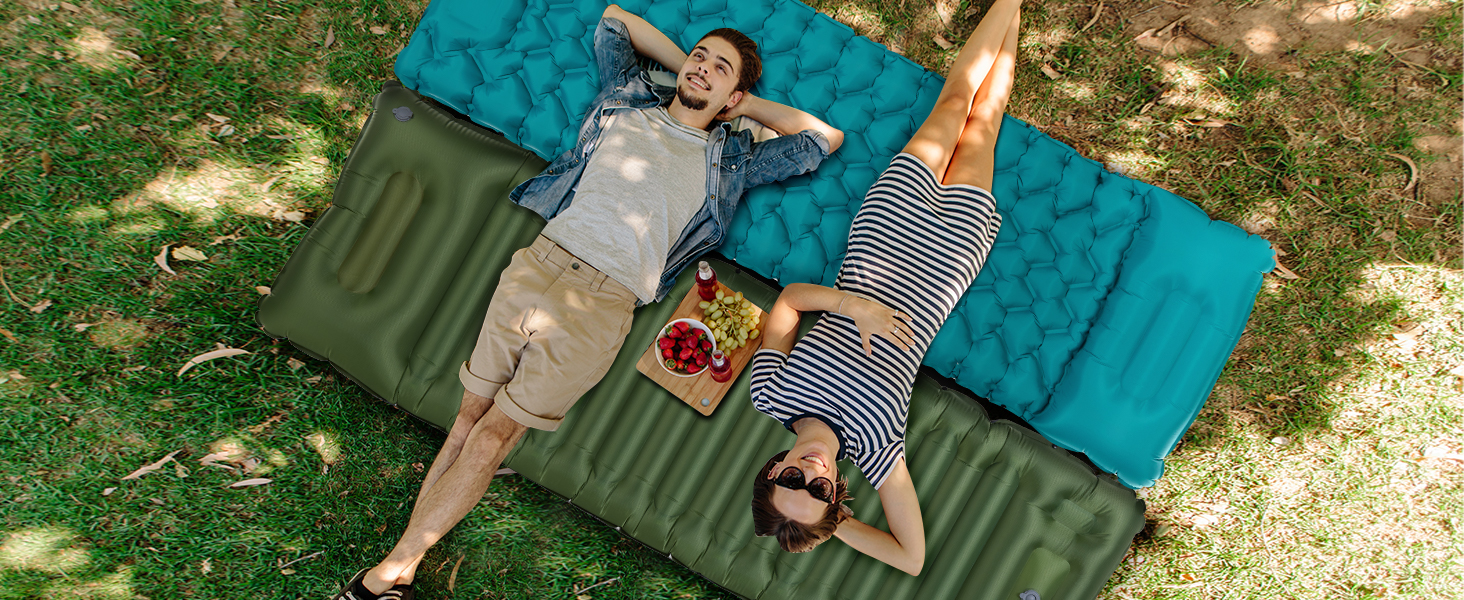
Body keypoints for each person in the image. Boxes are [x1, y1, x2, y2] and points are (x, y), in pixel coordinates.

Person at [335, 4, 844, 599]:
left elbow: (821, 139)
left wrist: (743, 104)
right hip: (537, 263)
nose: (702, 67)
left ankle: (381, 580)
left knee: (496, 434)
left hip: (603, 305)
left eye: (720, 68)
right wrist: (692, 70)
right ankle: (399, 574)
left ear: (735, 98)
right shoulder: (628, 98)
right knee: (466, 420)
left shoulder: (727, 161)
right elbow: (613, 21)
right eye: (699, 55)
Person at [746, 0, 1021, 576]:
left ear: (773, 471)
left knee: (953, 104)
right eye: (820, 490)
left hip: (883, 229)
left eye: (793, 481)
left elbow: (791, 301)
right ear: (835, 492)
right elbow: (912, 559)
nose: (813, 472)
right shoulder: (876, 453)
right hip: (948, 258)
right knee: (985, 122)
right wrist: (832, 522)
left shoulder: (769, 395)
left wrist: (852, 306)